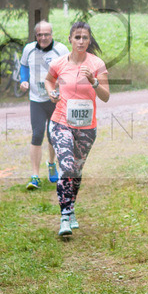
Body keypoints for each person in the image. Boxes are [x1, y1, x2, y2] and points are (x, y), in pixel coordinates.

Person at [44, 21, 110, 237]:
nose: (81, 41)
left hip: (87, 126)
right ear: (70, 39)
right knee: (67, 165)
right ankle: (65, 216)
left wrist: (94, 81)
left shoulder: (97, 64)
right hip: (61, 121)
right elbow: (48, 80)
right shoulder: (59, 62)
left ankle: (70, 207)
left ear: (89, 41)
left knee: (77, 171)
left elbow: (106, 96)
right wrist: (51, 93)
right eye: (77, 37)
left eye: (85, 38)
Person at [18, 21, 69, 190]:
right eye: (39, 35)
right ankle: (35, 176)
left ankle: (52, 164)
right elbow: (24, 67)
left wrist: (62, 87)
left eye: (46, 34)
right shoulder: (28, 49)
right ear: (36, 36)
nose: (43, 38)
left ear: (52, 34)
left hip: (55, 99)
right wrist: (24, 81)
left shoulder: (60, 50)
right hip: (36, 100)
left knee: (53, 135)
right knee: (37, 134)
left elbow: (68, 70)